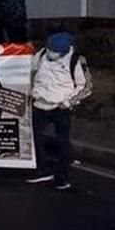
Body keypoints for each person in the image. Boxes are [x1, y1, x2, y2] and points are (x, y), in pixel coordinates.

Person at [27, 31, 91, 190]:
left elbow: (86, 87)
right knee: (36, 138)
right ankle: (42, 170)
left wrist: (68, 102)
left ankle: (62, 176)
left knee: (62, 141)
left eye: (54, 51)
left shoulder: (76, 60)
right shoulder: (41, 54)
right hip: (40, 104)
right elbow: (32, 71)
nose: (50, 53)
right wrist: (33, 92)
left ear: (64, 51)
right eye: (49, 48)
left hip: (60, 107)